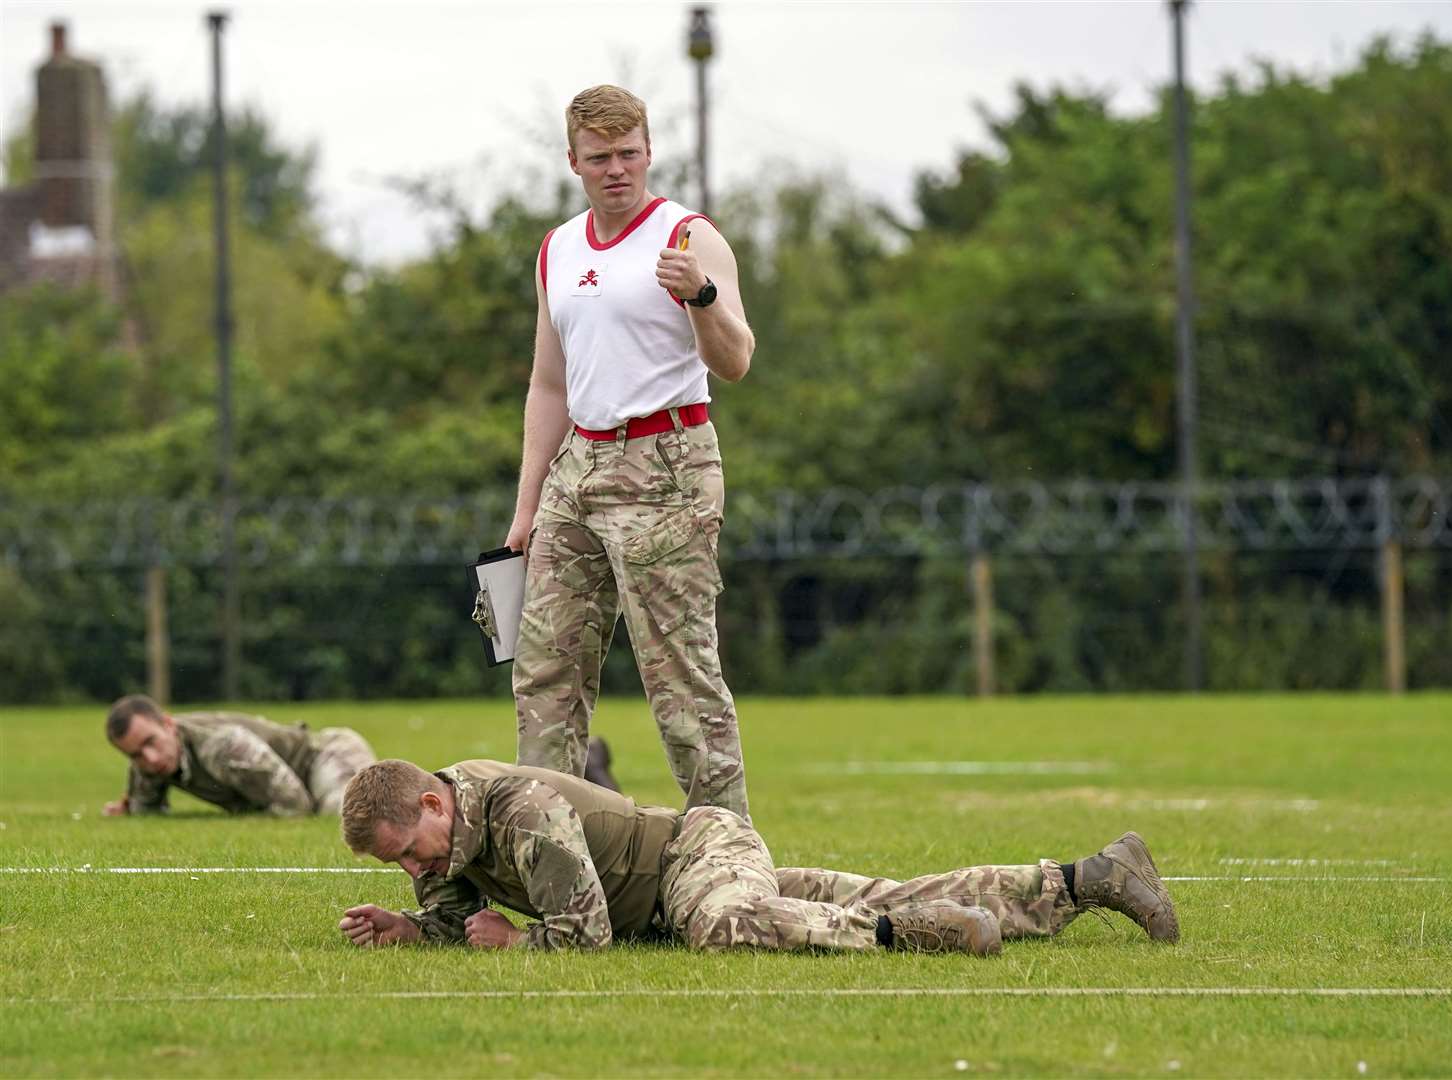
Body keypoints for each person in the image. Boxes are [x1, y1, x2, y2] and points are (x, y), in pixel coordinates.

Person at [502, 84, 754, 820]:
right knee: (544, 672)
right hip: (577, 466)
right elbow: (549, 385)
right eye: (601, 157)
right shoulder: (558, 248)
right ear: (574, 161)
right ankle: (544, 845)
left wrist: (702, 296)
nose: (617, 169)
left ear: (649, 152)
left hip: (667, 462)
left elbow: (736, 361)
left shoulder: (688, 236)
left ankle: (729, 855)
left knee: (680, 679)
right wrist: (525, 510)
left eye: (630, 154)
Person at [336, 758, 1180, 955]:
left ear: (435, 805)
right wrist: (415, 929)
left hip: (697, 858)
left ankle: (905, 936)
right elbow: (456, 909)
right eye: (398, 868)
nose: (418, 869)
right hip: (690, 866)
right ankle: (1090, 878)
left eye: (412, 851)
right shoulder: (456, 838)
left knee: (723, 924)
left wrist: (522, 945)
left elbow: (582, 931)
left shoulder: (521, 811)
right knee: (893, 886)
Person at [101, 694, 376, 817]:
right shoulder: (148, 763)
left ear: (169, 724)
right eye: (135, 754)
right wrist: (129, 810)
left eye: (151, 742)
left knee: (345, 815)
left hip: (322, 755)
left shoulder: (222, 745)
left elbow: (295, 805)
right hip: (296, 781)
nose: (149, 758)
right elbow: (146, 810)